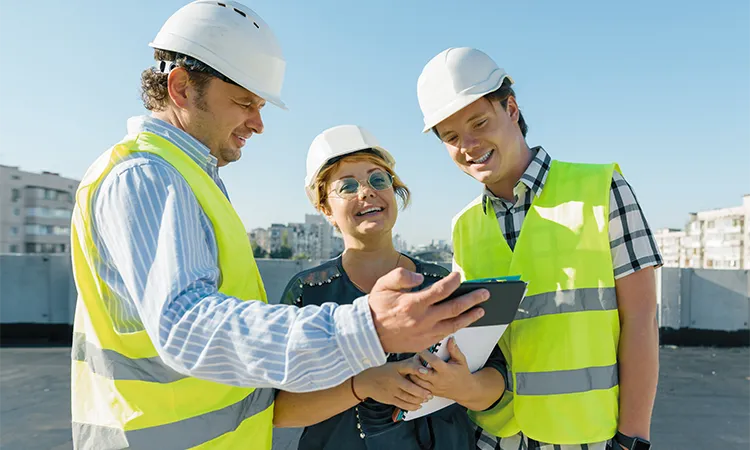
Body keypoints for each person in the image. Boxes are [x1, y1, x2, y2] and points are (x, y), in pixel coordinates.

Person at [67, 3, 490, 448]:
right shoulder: (147, 176)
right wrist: (365, 329)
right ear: (181, 88)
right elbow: (186, 325)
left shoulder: (189, 180)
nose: (259, 123)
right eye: (245, 102)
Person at [415, 47, 662, 450]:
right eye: (452, 137)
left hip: (585, 437)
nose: (470, 145)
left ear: (511, 108)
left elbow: (641, 319)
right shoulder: (464, 225)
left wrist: (633, 437)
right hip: (492, 437)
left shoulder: (602, 191)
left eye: (480, 122)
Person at [272, 125, 507, 450]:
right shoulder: (307, 292)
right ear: (325, 208)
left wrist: (460, 386)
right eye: (347, 186)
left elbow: (495, 383)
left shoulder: (441, 283)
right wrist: (361, 385)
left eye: (378, 180)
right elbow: (279, 409)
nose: (366, 192)